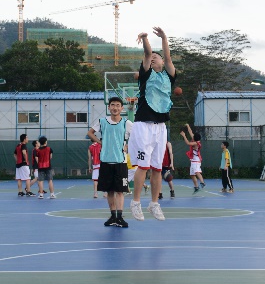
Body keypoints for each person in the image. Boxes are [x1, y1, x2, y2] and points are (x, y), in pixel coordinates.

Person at [128, 27, 176, 221]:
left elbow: (169, 57)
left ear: (163, 62)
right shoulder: (146, 75)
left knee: (157, 168)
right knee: (143, 166)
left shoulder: (168, 76)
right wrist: (146, 39)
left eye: (158, 57)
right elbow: (147, 53)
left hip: (160, 127)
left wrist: (164, 38)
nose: (155, 58)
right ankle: (135, 202)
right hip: (143, 125)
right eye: (152, 57)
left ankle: (154, 203)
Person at [87, 96, 132, 228]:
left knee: (120, 191)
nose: (115, 107)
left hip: (120, 161)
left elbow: (136, 137)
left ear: (122, 108)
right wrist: (100, 142)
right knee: (109, 191)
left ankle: (119, 217)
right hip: (106, 161)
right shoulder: (102, 121)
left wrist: (128, 145)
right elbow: (90, 133)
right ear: (109, 107)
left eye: (118, 105)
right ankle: (113, 216)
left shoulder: (127, 123)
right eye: (113, 105)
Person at [181, 124, 205, 194]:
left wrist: (184, 136)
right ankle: (196, 187)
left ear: (195, 138)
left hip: (196, 160)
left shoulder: (196, 143)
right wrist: (188, 126)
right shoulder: (195, 140)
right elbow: (191, 132)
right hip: (193, 160)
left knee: (197, 171)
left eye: (193, 136)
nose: (192, 136)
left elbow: (188, 143)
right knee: (192, 175)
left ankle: (202, 182)